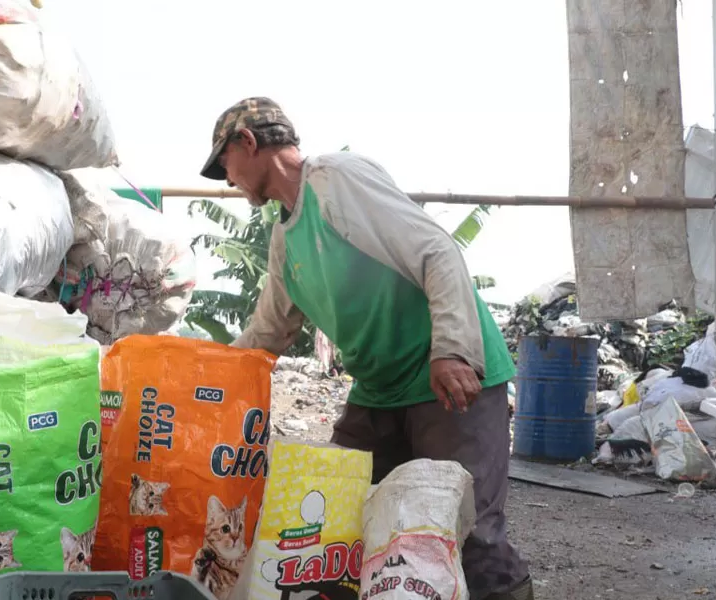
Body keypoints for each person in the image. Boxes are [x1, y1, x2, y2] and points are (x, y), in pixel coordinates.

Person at [200, 97, 533, 600]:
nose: (228, 180)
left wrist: (452, 350)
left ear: (248, 142)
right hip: (378, 394)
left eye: (224, 163)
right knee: (337, 514)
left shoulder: (334, 179)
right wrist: (199, 378)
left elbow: (437, 251)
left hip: (446, 379)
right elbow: (266, 335)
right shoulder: (285, 238)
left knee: (470, 535)